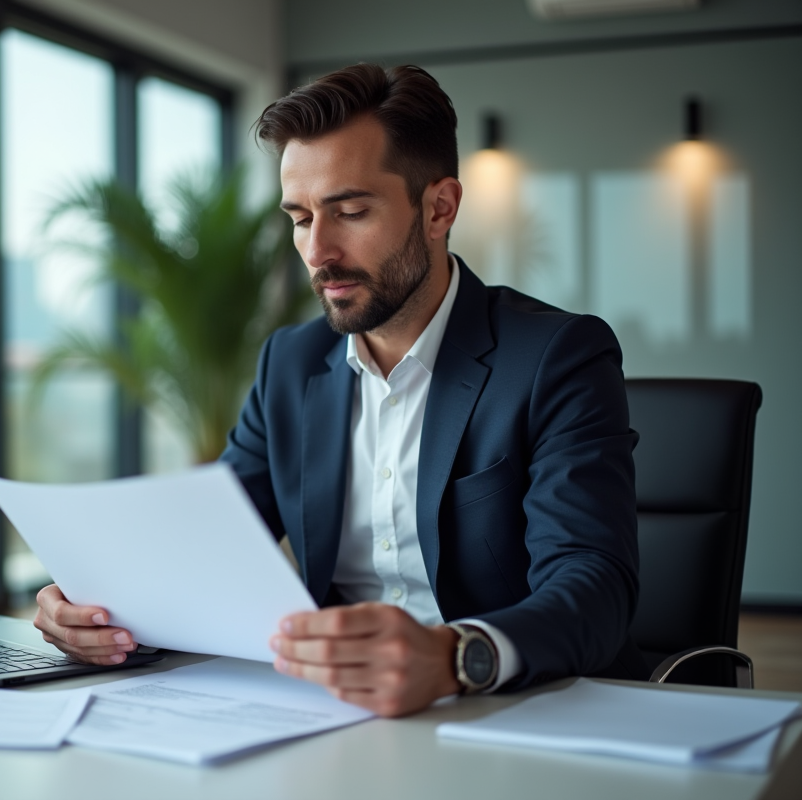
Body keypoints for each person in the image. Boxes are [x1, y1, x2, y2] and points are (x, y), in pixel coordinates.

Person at [32, 63, 648, 717]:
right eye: (300, 218)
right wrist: (94, 608)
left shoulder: (556, 356)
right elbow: (209, 545)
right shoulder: (290, 364)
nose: (317, 251)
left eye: (350, 212)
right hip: (331, 714)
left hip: (512, 709)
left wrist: (454, 657)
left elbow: (594, 586)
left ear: (439, 208)